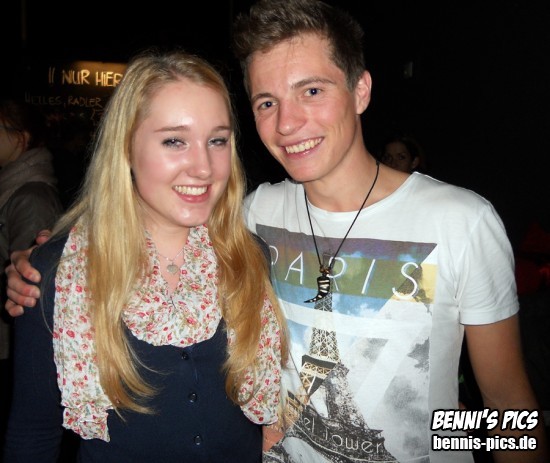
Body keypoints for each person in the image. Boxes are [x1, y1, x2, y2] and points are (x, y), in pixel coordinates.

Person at [5, 1, 549, 462]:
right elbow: (147, 222)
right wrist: (44, 266)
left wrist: (438, 434)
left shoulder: (461, 220)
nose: (287, 123)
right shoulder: (249, 216)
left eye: (311, 91)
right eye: (268, 102)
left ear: (361, 90)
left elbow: (507, 404)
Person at [3, 49, 286, 462]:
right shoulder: (58, 274)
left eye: (217, 140)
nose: (204, 167)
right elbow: (32, 435)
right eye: (174, 141)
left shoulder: (249, 257)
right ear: (126, 148)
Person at [0, 98, 64, 443]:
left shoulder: (30, 195)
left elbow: (35, 285)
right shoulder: (12, 185)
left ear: (20, 138)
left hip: (11, 346)